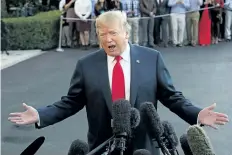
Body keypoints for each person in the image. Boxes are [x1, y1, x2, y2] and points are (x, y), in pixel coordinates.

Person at [8, 10, 229, 155]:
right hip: (104, 146)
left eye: (112, 33)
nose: (107, 39)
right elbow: (70, 102)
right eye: (102, 34)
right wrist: (40, 115)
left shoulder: (152, 58)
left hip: (145, 146)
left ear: (126, 32)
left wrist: (197, 114)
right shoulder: (87, 65)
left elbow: (172, 97)